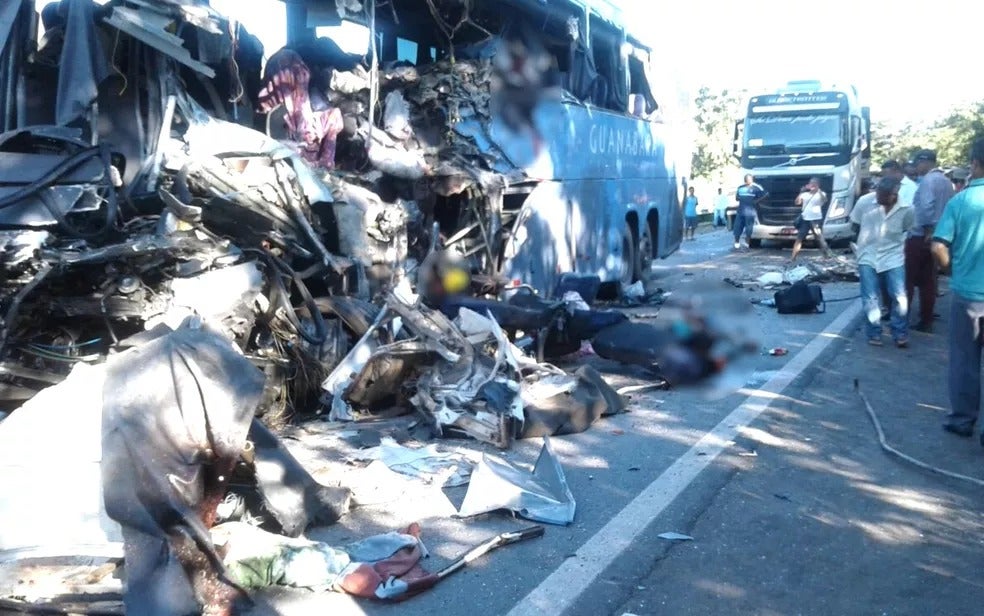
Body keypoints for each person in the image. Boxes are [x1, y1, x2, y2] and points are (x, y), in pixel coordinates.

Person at [930, 138, 984, 440]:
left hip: (968, 295)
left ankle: (963, 420)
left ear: (975, 164)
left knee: (965, 359)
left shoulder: (962, 201)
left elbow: (938, 245)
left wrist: (951, 269)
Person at [856, 177, 913, 347]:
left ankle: (900, 332)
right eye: (878, 194)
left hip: (893, 257)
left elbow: (906, 228)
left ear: (893, 195)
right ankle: (874, 333)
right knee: (871, 297)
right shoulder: (864, 202)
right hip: (867, 255)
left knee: (900, 297)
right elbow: (855, 224)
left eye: (882, 196)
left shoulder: (907, 210)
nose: (878, 198)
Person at [906, 148, 955, 332]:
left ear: (925, 162)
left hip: (921, 236)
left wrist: (928, 229)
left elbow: (926, 208)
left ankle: (902, 317)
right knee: (929, 280)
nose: (916, 168)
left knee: (909, 279)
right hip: (940, 236)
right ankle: (926, 319)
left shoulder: (928, 181)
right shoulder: (946, 181)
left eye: (918, 163)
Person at [790, 177, 831, 261]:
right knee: (799, 238)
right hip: (805, 218)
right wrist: (801, 192)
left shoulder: (821, 193)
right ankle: (793, 257)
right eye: (810, 183)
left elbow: (825, 200)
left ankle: (826, 256)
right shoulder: (805, 194)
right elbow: (797, 202)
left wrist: (817, 190)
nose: (812, 185)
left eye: (814, 183)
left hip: (816, 219)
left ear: (818, 184)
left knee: (819, 238)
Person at [733, 174, 766, 250]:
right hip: (741, 211)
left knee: (749, 229)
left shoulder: (756, 189)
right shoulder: (740, 188)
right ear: (745, 180)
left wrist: (756, 201)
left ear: (752, 180)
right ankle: (736, 244)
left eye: (749, 179)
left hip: (750, 212)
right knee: (737, 228)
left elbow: (764, 195)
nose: (748, 180)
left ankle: (747, 244)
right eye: (747, 179)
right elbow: (737, 198)